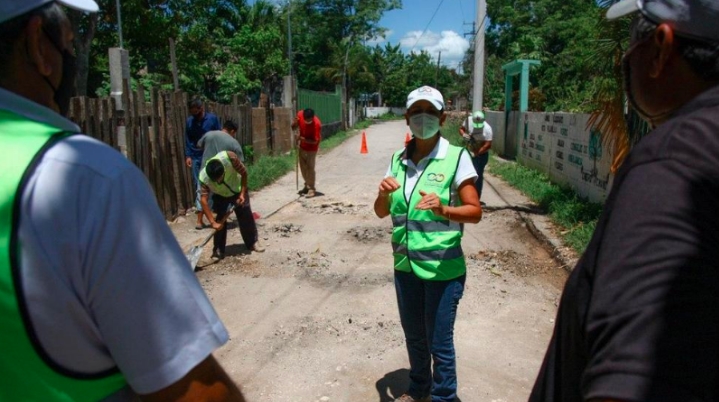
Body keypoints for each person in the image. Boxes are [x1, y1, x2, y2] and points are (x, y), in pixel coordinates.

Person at [0, 1, 246, 401]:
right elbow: (199, 393)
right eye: (68, 42)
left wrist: (238, 200)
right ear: (37, 46)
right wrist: (213, 220)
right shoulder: (85, 179)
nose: (72, 56)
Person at [529, 1, 719, 401]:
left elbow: (632, 382)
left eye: (633, 39)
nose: (625, 61)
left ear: (661, 48)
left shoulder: (673, 164)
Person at [373, 85, 482, 402]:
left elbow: (474, 212)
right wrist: (382, 194)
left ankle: (444, 397)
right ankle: (419, 388)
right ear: (407, 118)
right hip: (405, 266)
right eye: (417, 112)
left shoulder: (457, 157)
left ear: (442, 117)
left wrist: (445, 209)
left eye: (430, 112)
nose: (423, 118)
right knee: (415, 336)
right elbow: (381, 211)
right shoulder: (396, 159)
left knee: (439, 341)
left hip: (442, 269)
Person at [199, 150, 264, 258]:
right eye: (216, 180)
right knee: (219, 220)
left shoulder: (230, 158)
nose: (219, 181)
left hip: (238, 190)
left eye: (220, 178)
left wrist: (242, 194)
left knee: (246, 215)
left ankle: (252, 242)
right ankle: (218, 249)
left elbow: (244, 173)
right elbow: (203, 200)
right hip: (220, 195)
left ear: (224, 169)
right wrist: (212, 222)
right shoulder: (204, 178)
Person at [186, 97, 221, 229]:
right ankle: (200, 219)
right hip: (196, 157)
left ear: (201, 109)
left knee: (211, 185)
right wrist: (188, 155)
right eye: (192, 113)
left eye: (197, 112)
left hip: (211, 157)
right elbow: (188, 139)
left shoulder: (212, 119)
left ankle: (209, 215)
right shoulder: (190, 122)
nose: (195, 116)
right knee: (200, 187)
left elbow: (219, 135)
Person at [459, 110, 493, 200]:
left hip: (481, 154)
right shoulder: (468, 120)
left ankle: (476, 198)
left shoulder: (487, 129)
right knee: (465, 174)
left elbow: (488, 145)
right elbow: (461, 129)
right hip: (469, 150)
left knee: (477, 175)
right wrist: (464, 134)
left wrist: (477, 153)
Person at [291, 108, 321, 198]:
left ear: (313, 117)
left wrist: (302, 139)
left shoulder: (317, 124)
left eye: (309, 120)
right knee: (303, 168)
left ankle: (311, 188)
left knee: (310, 168)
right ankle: (306, 185)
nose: (307, 121)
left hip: (312, 149)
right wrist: (295, 123)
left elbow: (315, 141)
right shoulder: (300, 114)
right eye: (306, 120)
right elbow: (293, 127)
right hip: (302, 147)